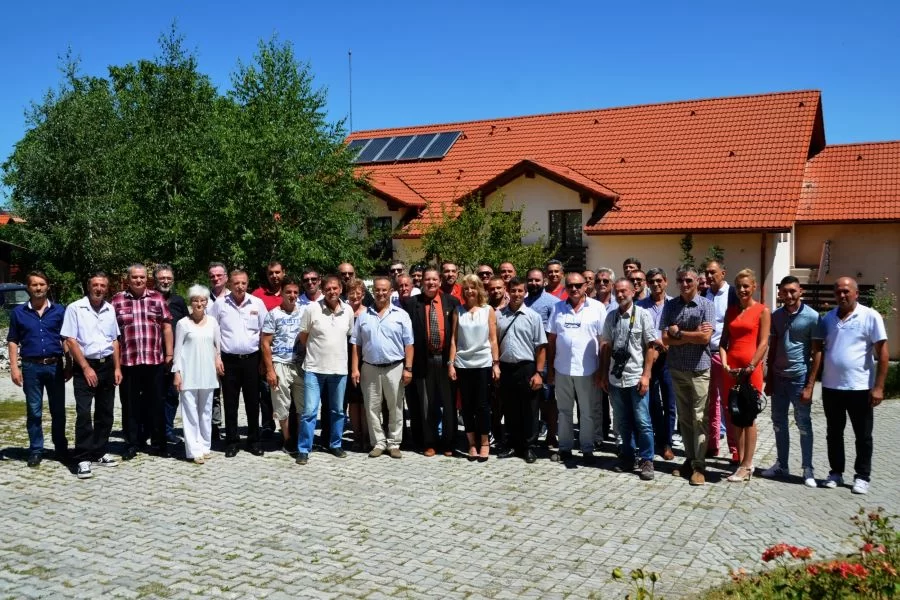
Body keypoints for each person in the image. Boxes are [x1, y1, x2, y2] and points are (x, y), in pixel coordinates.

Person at [813, 277, 889, 495]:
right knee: (834, 433)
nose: (842, 295)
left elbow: (883, 354)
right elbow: (820, 349)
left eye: (846, 291)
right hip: (831, 387)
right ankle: (835, 472)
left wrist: (879, 387)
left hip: (860, 388)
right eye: (838, 292)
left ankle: (862, 476)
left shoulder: (869, 316)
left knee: (863, 435)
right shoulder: (827, 319)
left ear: (856, 293)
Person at [61, 271, 122, 478]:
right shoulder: (75, 308)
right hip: (84, 366)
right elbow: (70, 340)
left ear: (107, 288)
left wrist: (117, 368)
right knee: (84, 413)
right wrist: (86, 367)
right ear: (89, 287)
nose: (99, 289)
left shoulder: (110, 309)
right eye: (95, 285)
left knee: (105, 412)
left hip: (106, 366)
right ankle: (83, 458)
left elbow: (114, 340)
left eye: (103, 286)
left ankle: (100, 451)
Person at [7, 270, 71, 467]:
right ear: (28, 288)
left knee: (58, 410)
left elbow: (66, 338)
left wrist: (70, 363)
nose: (38, 288)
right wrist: (14, 368)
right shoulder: (18, 313)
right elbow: (13, 341)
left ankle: (60, 448)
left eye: (42, 284)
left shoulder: (59, 311)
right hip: (31, 367)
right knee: (34, 411)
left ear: (48, 286)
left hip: (55, 366)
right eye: (34, 284)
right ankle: (36, 449)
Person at [762, 276, 821, 487]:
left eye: (792, 291)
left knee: (804, 424)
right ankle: (782, 464)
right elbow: (774, 346)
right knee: (778, 423)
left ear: (800, 291)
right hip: (778, 379)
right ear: (780, 293)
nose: (788, 295)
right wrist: (768, 378)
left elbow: (817, 353)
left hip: (799, 379)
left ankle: (807, 468)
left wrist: (810, 385)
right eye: (784, 291)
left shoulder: (812, 317)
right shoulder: (776, 316)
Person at [599, 278, 660, 480]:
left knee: (643, 421)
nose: (620, 295)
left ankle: (646, 460)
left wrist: (646, 375)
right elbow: (606, 347)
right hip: (616, 379)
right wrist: (604, 374)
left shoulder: (643, 315)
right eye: (617, 291)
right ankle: (627, 456)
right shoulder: (611, 317)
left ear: (633, 292)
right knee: (623, 421)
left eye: (624, 291)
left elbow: (651, 347)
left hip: (636, 377)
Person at [660, 265, 715, 486]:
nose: (684, 284)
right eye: (681, 280)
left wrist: (679, 333)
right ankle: (690, 459)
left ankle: (700, 466)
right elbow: (665, 339)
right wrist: (689, 335)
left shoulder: (706, 305)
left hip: (699, 369)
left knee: (699, 418)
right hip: (677, 368)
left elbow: (705, 339)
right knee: (684, 418)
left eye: (689, 280)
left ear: (696, 282)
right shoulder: (671, 305)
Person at [112, 264, 174, 460]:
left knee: (156, 404)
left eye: (141, 277)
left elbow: (166, 328)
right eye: (134, 277)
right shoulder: (117, 300)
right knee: (130, 405)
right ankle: (132, 443)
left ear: (146, 279)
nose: (138, 280)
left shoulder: (157, 298)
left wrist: (169, 355)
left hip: (154, 360)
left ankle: (159, 444)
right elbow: (111, 333)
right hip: (128, 362)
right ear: (127, 279)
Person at [350, 276, 414, 459]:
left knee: (395, 406)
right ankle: (378, 442)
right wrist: (355, 369)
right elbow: (356, 345)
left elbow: (409, 344)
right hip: (369, 367)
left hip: (395, 367)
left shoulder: (401, 315)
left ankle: (394, 443)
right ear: (373, 291)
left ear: (391, 291)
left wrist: (408, 368)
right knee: (372, 407)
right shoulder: (363, 317)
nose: (380, 293)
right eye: (377, 290)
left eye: (384, 290)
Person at [546, 272, 606, 465]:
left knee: (588, 412)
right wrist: (551, 368)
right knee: (564, 411)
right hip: (562, 368)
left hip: (588, 370)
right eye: (570, 285)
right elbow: (552, 340)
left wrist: (601, 370)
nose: (574, 289)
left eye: (578, 285)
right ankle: (565, 448)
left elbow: (604, 342)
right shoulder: (558, 308)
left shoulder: (597, 308)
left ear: (586, 286)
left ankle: (587, 449)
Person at [719, 269, 771, 482]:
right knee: (734, 415)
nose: (742, 290)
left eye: (746, 286)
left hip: (750, 371)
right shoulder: (730, 311)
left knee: (748, 417)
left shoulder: (762, 310)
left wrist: (751, 365)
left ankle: (747, 464)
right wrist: (724, 363)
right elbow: (723, 341)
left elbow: (763, 342)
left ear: (754, 287)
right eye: (739, 286)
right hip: (731, 370)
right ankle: (740, 460)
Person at [402, 267, 461, 456]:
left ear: (440, 281)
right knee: (426, 403)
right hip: (423, 360)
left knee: (449, 403)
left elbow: (457, 334)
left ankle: (449, 442)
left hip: (446, 360)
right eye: (427, 279)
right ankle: (429, 441)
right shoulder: (412, 303)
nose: (431, 283)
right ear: (422, 282)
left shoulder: (452, 302)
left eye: (435, 279)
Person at [208, 269, 267, 458]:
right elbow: (212, 332)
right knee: (230, 403)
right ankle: (232, 441)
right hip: (229, 361)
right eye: (236, 283)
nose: (240, 286)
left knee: (252, 401)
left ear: (247, 284)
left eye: (243, 283)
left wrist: (264, 361)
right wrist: (216, 357)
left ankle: (254, 440)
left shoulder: (257, 303)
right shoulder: (219, 304)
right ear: (229, 284)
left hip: (252, 360)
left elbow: (265, 333)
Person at [297, 275, 354, 464]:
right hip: (314, 369)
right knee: (310, 412)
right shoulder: (312, 309)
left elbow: (348, 335)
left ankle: (335, 444)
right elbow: (303, 337)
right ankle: (304, 448)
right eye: (328, 289)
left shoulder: (348, 310)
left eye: (335, 288)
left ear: (341, 290)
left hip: (339, 370)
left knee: (338, 411)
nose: (332, 292)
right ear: (323, 289)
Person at [449, 275, 501, 461]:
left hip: (483, 363)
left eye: (473, 287)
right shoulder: (458, 311)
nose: (469, 291)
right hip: (463, 364)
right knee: (467, 406)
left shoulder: (488, 311)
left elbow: (493, 339)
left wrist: (496, 364)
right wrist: (451, 364)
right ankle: (471, 443)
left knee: (483, 406)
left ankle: (484, 442)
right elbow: (454, 340)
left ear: (479, 289)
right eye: (466, 288)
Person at [497, 278, 547, 463]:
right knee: (509, 407)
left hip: (527, 367)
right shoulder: (499, 315)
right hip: (506, 368)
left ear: (525, 292)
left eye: (520, 291)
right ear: (507, 292)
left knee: (530, 409)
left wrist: (539, 373)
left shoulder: (533, 317)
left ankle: (529, 446)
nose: (516, 294)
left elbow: (541, 347)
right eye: (513, 290)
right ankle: (511, 444)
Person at [172, 285, 224, 464]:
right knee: (190, 412)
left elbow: (218, 347)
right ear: (190, 302)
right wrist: (177, 372)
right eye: (195, 300)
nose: (199, 303)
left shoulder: (213, 322)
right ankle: (193, 450)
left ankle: (204, 446)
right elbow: (177, 350)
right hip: (188, 372)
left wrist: (218, 360)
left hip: (208, 372)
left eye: (202, 300)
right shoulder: (182, 323)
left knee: (206, 411)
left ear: (207, 302)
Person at [261, 276, 306, 456]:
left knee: (303, 406)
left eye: (295, 292)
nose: (292, 295)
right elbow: (265, 343)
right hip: (280, 363)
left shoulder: (305, 312)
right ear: (282, 293)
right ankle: (287, 440)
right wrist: (270, 370)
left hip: (301, 364)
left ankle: (300, 438)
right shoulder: (273, 314)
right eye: (288, 292)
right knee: (282, 404)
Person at [637, 267, 676, 461]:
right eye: (651, 281)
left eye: (659, 280)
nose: (655, 284)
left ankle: (667, 443)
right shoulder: (640, 306)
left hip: (671, 360)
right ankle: (657, 440)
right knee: (653, 403)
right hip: (649, 359)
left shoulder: (675, 304)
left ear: (666, 281)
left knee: (670, 403)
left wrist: (667, 344)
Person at [704, 260, 739, 461]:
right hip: (705, 354)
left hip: (724, 355)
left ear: (723, 273)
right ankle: (712, 445)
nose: (709, 276)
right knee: (710, 403)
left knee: (728, 403)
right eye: (707, 273)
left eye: (713, 272)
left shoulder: (733, 294)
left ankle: (735, 449)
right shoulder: (704, 295)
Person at [524, 267, 561, 448]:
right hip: (525, 359)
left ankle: (552, 436)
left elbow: (553, 335)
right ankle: (531, 436)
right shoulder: (522, 301)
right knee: (530, 401)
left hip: (545, 359)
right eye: (530, 280)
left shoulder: (553, 303)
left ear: (544, 281)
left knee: (548, 401)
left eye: (537, 280)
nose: (534, 283)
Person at [154, 264, 189, 446]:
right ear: (155, 279)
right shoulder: (149, 298)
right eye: (162, 278)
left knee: (172, 395)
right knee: (153, 395)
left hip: (175, 355)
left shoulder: (178, 301)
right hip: (152, 354)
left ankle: (167, 430)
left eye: (168, 278)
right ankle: (152, 431)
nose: (165, 281)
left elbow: (186, 326)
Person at [344, 278, 370, 451]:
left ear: (363, 294)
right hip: (344, 360)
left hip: (365, 361)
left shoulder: (368, 312)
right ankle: (356, 435)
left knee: (366, 400)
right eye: (351, 293)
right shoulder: (343, 312)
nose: (355, 296)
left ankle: (367, 436)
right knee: (353, 401)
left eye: (358, 293)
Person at [206, 261, 228, 440]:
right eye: (212, 275)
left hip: (229, 352)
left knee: (230, 393)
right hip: (208, 352)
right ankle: (214, 426)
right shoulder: (203, 298)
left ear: (226, 277)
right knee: (213, 392)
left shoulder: (233, 296)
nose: (216, 278)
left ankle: (232, 429)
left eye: (219, 275)